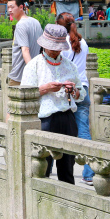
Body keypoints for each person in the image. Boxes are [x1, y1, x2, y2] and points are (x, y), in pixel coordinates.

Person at [21, 23, 83, 184]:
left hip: (68, 118)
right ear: (44, 45)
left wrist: (73, 91)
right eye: (51, 47)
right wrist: (45, 88)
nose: (54, 50)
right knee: (43, 167)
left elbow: (81, 94)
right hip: (45, 120)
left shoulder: (70, 66)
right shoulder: (34, 65)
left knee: (67, 167)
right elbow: (24, 95)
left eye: (57, 47)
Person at [59, 12, 93, 185]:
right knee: (84, 130)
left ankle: (54, 167)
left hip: (69, 90)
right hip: (84, 88)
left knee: (58, 127)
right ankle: (89, 173)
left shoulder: (62, 44)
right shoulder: (83, 43)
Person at [6, 0, 42, 86]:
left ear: (21, 7)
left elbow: (25, 50)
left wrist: (31, 72)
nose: (10, 10)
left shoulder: (21, 25)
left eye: (12, 7)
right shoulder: (36, 22)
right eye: (8, 7)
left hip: (21, 77)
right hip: (36, 73)